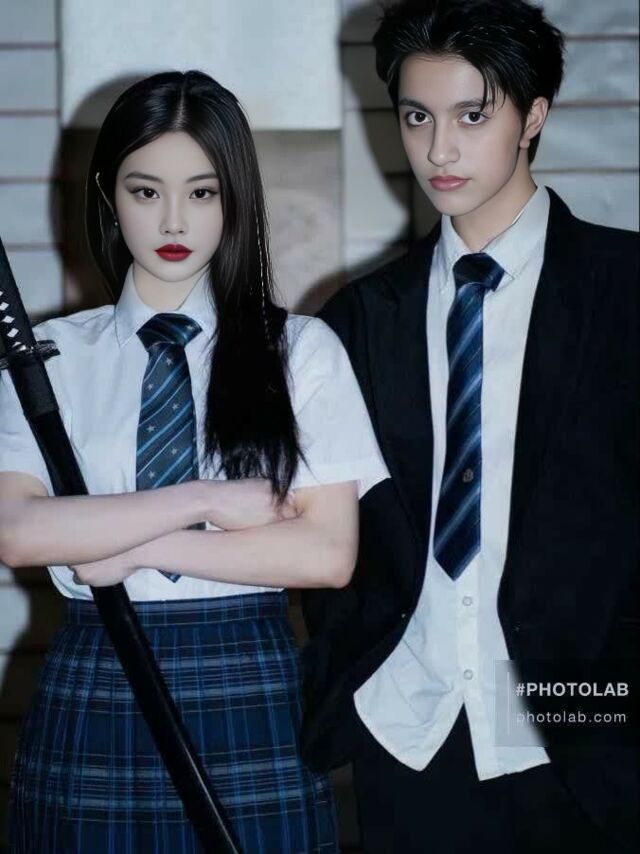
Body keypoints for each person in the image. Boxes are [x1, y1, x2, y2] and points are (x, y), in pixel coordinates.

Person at [0, 70, 389, 853]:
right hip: (95, 674)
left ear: (234, 200)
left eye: (202, 193)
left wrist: (133, 547)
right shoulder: (49, 359)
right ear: (109, 196)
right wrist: (202, 500)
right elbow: (16, 532)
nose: (174, 220)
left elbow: (326, 553)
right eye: (146, 192)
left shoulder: (302, 351)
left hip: (248, 675)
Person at [301, 2, 639, 852]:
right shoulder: (357, 319)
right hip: (408, 725)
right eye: (417, 117)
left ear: (533, 116)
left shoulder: (626, 290)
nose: (439, 150)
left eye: (471, 116)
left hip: (584, 730)